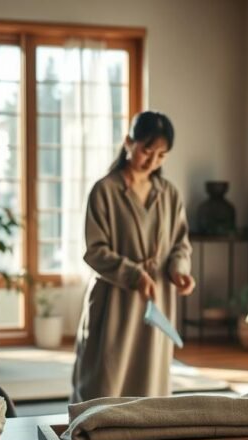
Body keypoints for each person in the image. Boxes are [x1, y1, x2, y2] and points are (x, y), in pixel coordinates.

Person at [72, 111, 194, 402]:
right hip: (115, 301)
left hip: (158, 299)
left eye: (162, 155)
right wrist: (134, 274)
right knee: (104, 382)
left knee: (150, 382)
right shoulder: (105, 191)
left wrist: (179, 270)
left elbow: (180, 243)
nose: (153, 161)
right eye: (147, 151)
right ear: (129, 143)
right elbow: (95, 251)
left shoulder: (169, 194)